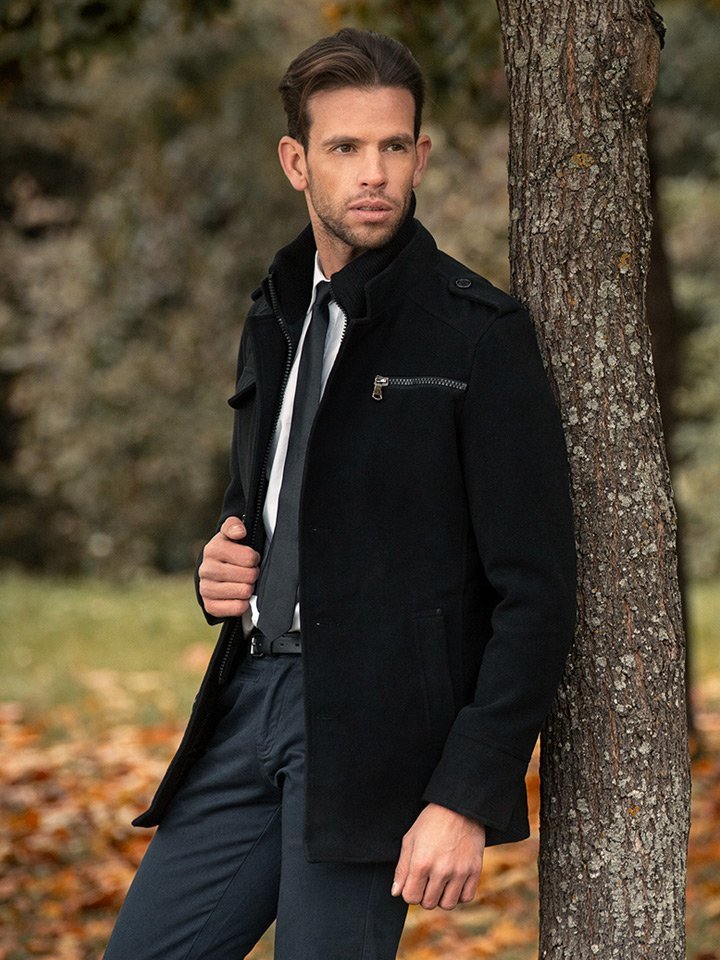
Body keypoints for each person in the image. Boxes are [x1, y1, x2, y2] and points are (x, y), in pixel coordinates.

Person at [105, 26, 576, 960]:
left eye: (394, 146)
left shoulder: (479, 335)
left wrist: (464, 794)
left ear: (421, 155)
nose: (374, 174)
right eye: (346, 147)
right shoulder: (275, 309)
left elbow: (537, 595)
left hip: (375, 733)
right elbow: (266, 503)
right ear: (297, 162)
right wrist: (220, 566)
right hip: (249, 699)